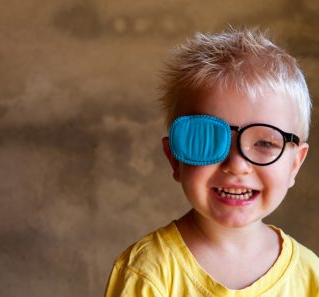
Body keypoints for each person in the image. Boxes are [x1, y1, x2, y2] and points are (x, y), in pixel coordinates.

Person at [104, 28, 319, 296]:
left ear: (295, 165)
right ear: (174, 158)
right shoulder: (149, 272)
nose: (237, 165)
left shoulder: (311, 276)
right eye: (206, 139)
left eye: (265, 143)